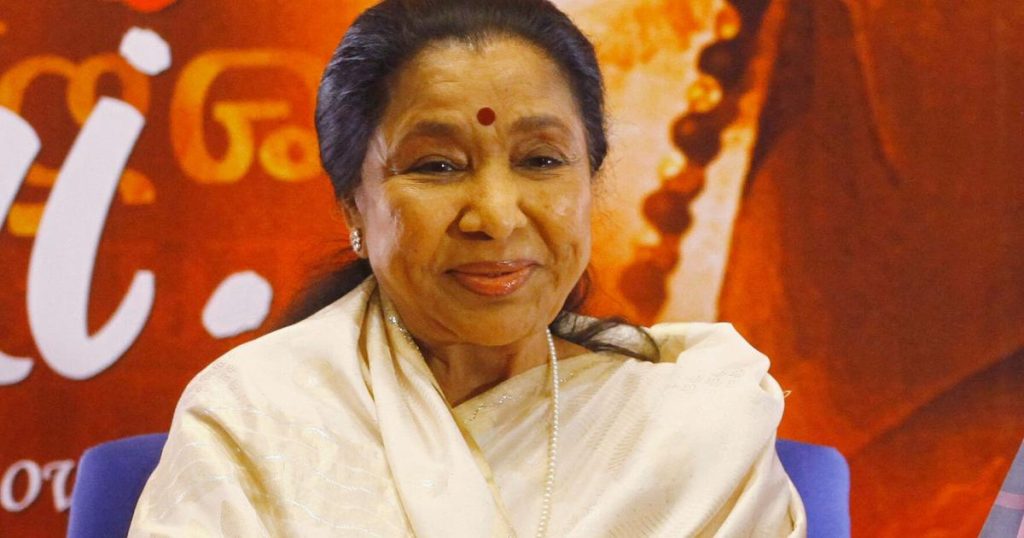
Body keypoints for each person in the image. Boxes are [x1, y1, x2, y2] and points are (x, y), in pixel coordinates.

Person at [128, 0, 806, 535]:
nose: (496, 216)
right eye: (437, 166)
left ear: (591, 181)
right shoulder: (254, 420)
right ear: (353, 203)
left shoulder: (695, 428)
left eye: (541, 160)